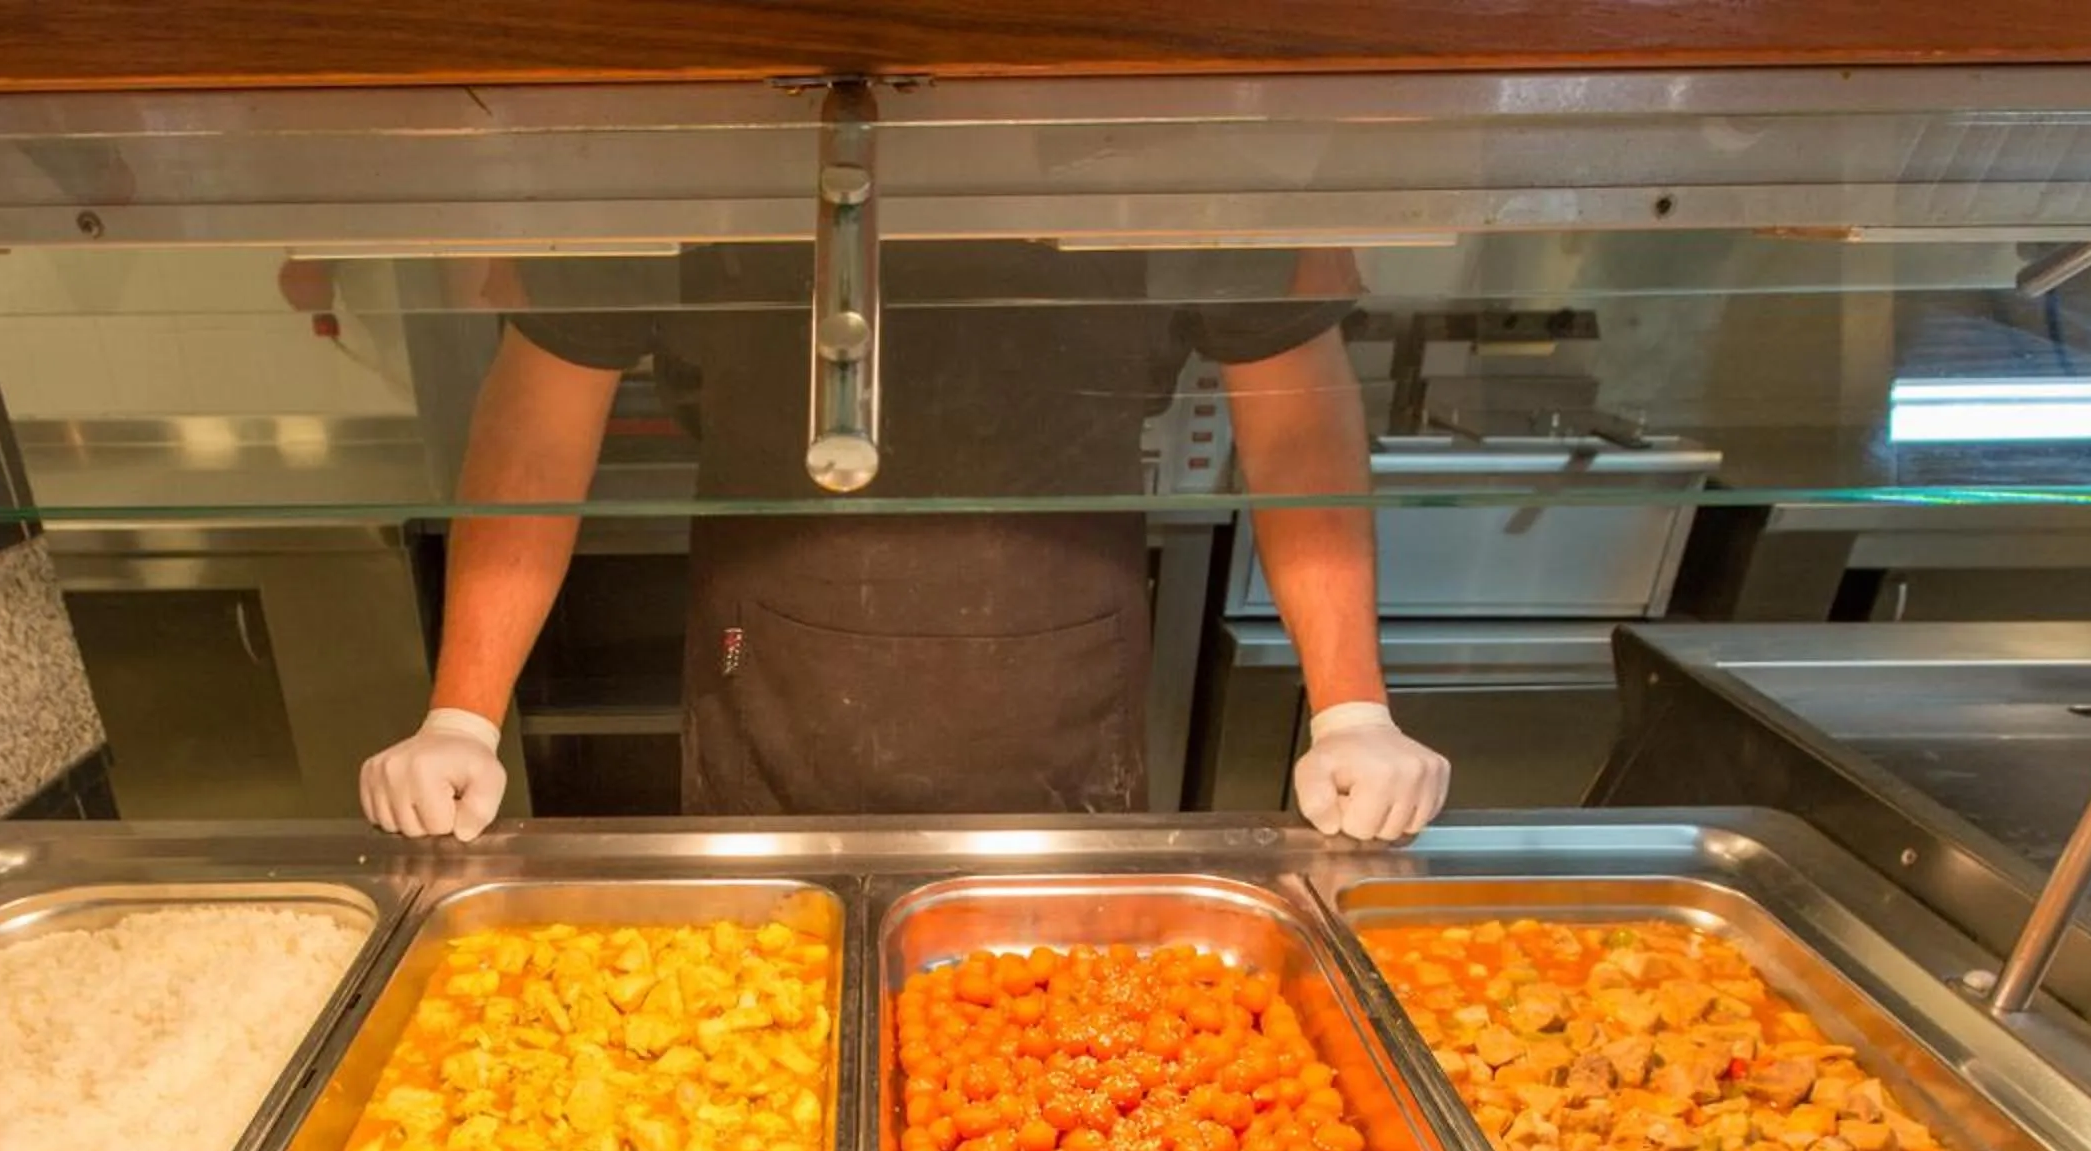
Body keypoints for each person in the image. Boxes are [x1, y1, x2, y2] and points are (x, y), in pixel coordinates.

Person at [360, 244, 1449, 840]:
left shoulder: (1169, 81)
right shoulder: (679, 89)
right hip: (773, 654)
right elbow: (539, 420)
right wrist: (462, 712)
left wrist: (1352, 704)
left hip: (1057, 648)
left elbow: (1297, 408)